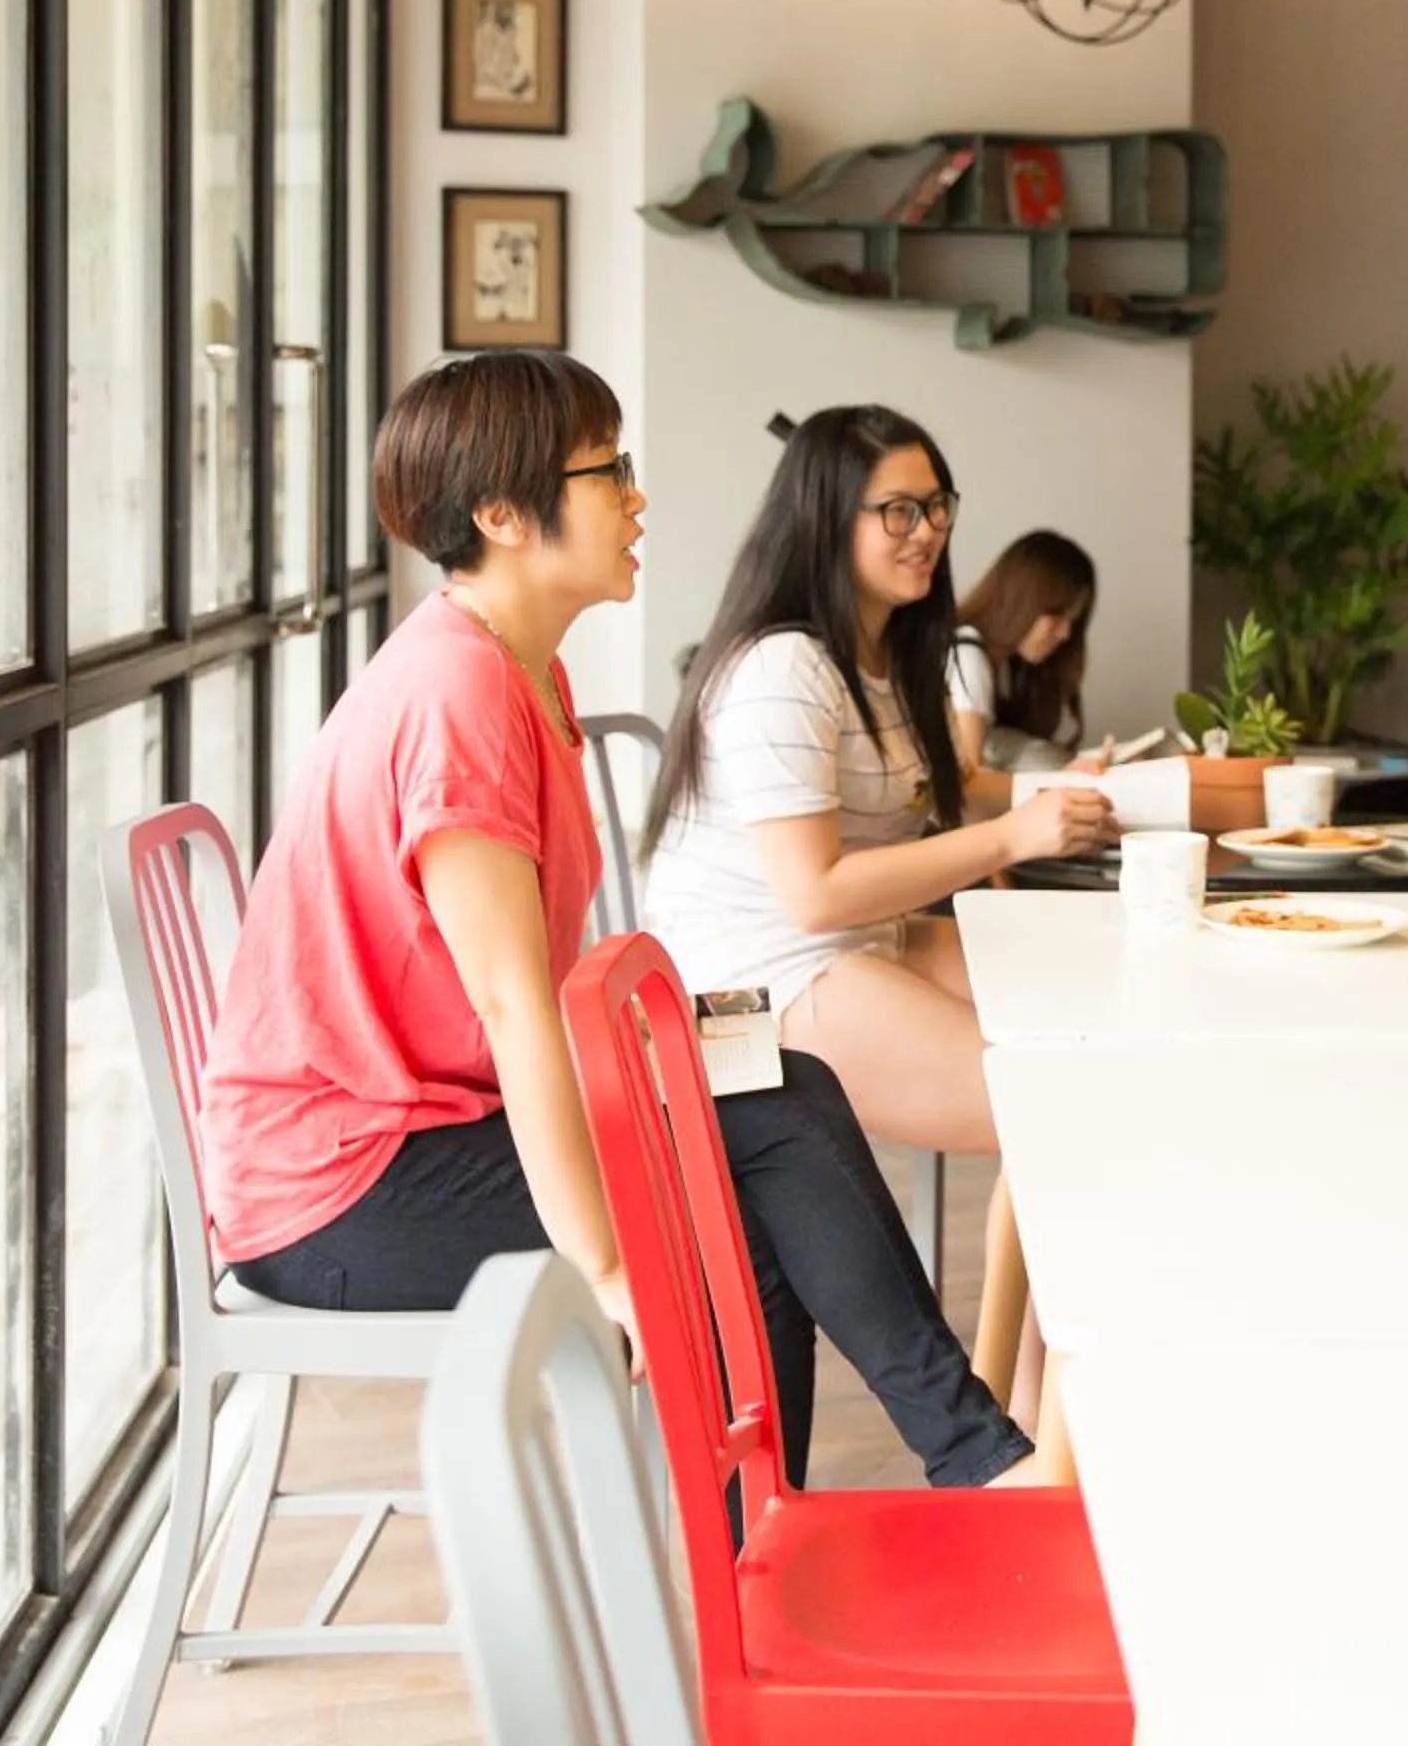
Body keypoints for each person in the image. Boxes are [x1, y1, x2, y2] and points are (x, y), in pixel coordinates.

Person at [197, 352, 1032, 1488]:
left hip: (413, 1133)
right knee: (760, 1150)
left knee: (785, 1094)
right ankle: (960, 1464)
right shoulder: (460, 696)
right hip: (345, 1190)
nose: (636, 498)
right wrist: (604, 1260)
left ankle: (834, 1509)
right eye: (610, 470)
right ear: (502, 513)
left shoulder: (518, 672)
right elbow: (510, 1003)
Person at [641, 407, 1110, 1158]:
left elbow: (934, 795)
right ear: (827, 521)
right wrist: (1013, 835)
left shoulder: (889, 658)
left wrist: (1060, 801)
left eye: (934, 506)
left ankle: (1018, 1282)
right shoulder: (782, 667)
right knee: (1061, 1100)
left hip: (863, 939)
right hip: (751, 989)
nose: (926, 529)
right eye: (898, 511)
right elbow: (815, 894)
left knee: (1098, 1021)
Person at [949, 529, 1105, 805]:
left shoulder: (1012, 668)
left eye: (1073, 621)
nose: (1065, 633)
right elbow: (968, 785)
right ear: (1020, 602)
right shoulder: (968, 655)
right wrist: (1058, 781)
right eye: (1056, 616)